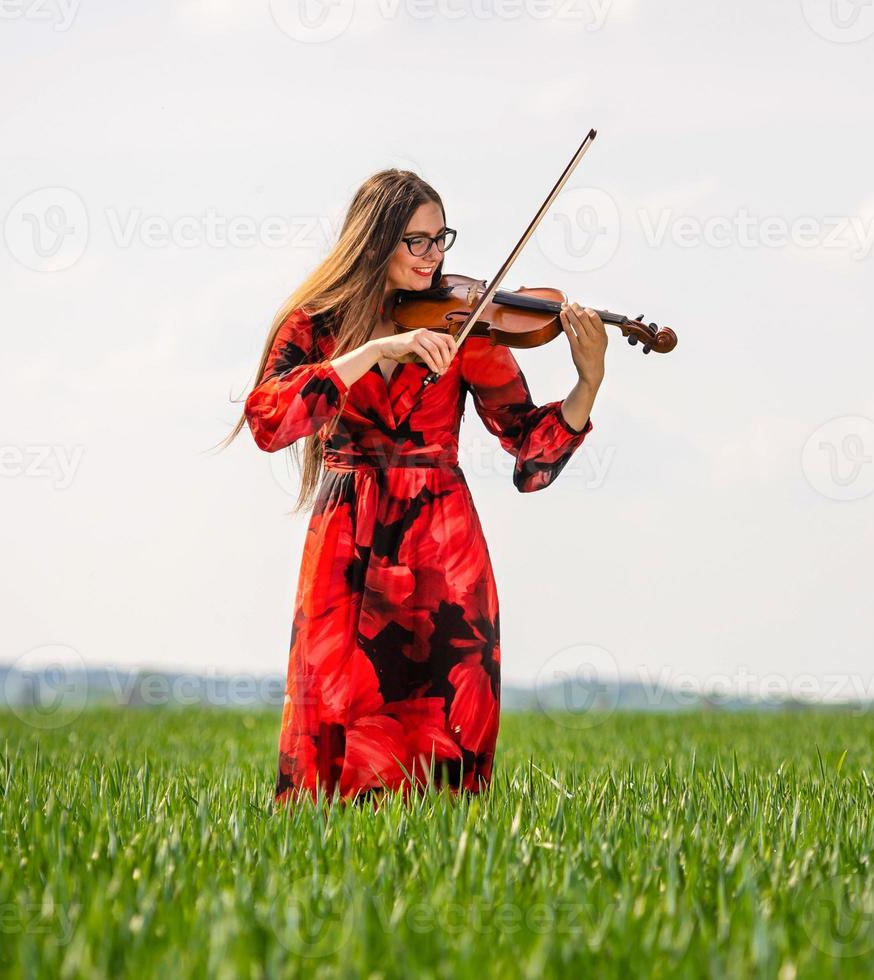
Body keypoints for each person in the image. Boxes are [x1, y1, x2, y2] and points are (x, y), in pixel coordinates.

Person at [218, 169, 607, 806]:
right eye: (417, 242)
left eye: (440, 240)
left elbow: (530, 459)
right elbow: (268, 420)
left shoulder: (463, 326)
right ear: (374, 243)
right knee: (337, 710)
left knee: (446, 713)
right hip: (350, 538)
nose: (435, 258)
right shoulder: (317, 324)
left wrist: (586, 385)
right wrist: (373, 352)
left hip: (442, 541)